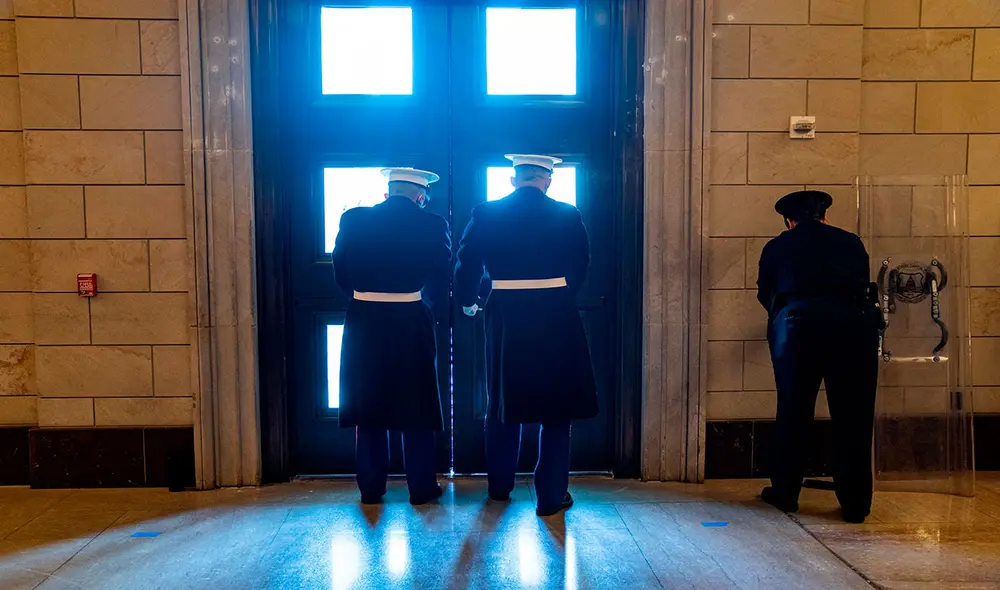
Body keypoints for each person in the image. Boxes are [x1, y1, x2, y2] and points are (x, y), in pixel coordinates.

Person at [455, 154, 599, 517]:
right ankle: (551, 496)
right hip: (555, 313)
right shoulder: (568, 214)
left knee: (503, 402)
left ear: (512, 179)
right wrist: (561, 297)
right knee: (556, 408)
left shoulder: (486, 212)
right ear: (548, 180)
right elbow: (581, 266)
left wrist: (470, 301)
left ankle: (500, 488)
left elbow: (466, 262)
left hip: (506, 313)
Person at [755, 190, 881, 524]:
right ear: (824, 215)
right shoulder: (850, 242)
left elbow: (764, 292)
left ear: (788, 219)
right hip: (855, 330)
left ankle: (786, 493)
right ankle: (856, 503)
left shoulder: (778, 246)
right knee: (854, 415)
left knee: (794, 410)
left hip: (798, 330)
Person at [333, 167, 451, 506]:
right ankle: (421, 487)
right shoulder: (432, 224)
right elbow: (442, 275)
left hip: (364, 319)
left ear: (387, 192)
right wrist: (434, 309)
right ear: (420, 197)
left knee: (367, 404)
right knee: (417, 404)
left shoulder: (353, 219)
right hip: (411, 317)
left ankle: (370, 487)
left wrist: (363, 297)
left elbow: (340, 270)